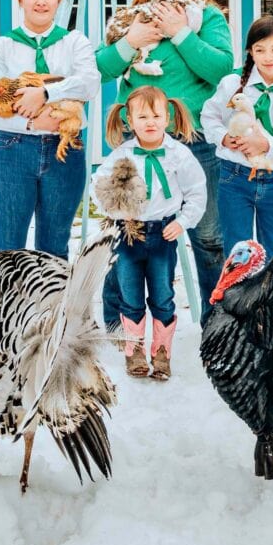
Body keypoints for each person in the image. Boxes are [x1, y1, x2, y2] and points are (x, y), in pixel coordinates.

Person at [95, 0, 233, 326]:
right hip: (135, 139)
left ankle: (217, 324)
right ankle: (117, 321)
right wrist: (131, 43)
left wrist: (180, 33)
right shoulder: (131, 17)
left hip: (193, 140)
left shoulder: (205, 14)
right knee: (128, 231)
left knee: (208, 237)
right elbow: (101, 68)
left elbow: (223, 68)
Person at [0, 0, 100, 260]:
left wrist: (46, 93)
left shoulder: (74, 42)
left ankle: (50, 306)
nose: (41, 2)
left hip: (65, 149)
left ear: (59, 1)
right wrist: (32, 121)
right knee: (6, 250)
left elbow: (89, 83)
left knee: (54, 248)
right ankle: (7, 306)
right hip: (13, 150)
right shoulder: (3, 46)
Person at [92, 86, 207, 380]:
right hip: (128, 234)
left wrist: (182, 221)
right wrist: (118, 211)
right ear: (129, 121)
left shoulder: (178, 155)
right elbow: (99, 187)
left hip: (162, 235)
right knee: (129, 295)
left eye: (156, 115)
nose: (150, 122)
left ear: (167, 118)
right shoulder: (121, 155)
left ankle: (162, 352)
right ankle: (135, 351)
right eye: (142, 116)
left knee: (163, 295)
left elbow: (196, 191)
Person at [200, 16, 273, 260]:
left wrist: (267, 144)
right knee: (238, 253)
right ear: (250, 52)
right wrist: (223, 138)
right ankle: (239, 298)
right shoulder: (232, 83)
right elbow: (209, 117)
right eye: (260, 50)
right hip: (234, 179)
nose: (268, 57)